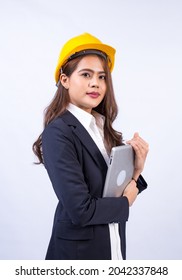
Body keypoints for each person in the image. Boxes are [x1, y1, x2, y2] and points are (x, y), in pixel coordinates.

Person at [32, 33, 149, 260]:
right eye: (86, 74)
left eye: (102, 77)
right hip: (78, 257)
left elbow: (110, 191)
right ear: (64, 80)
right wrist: (127, 202)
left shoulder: (102, 127)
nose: (96, 83)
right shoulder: (58, 133)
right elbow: (81, 210)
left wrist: (136, 171)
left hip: (112, 247)